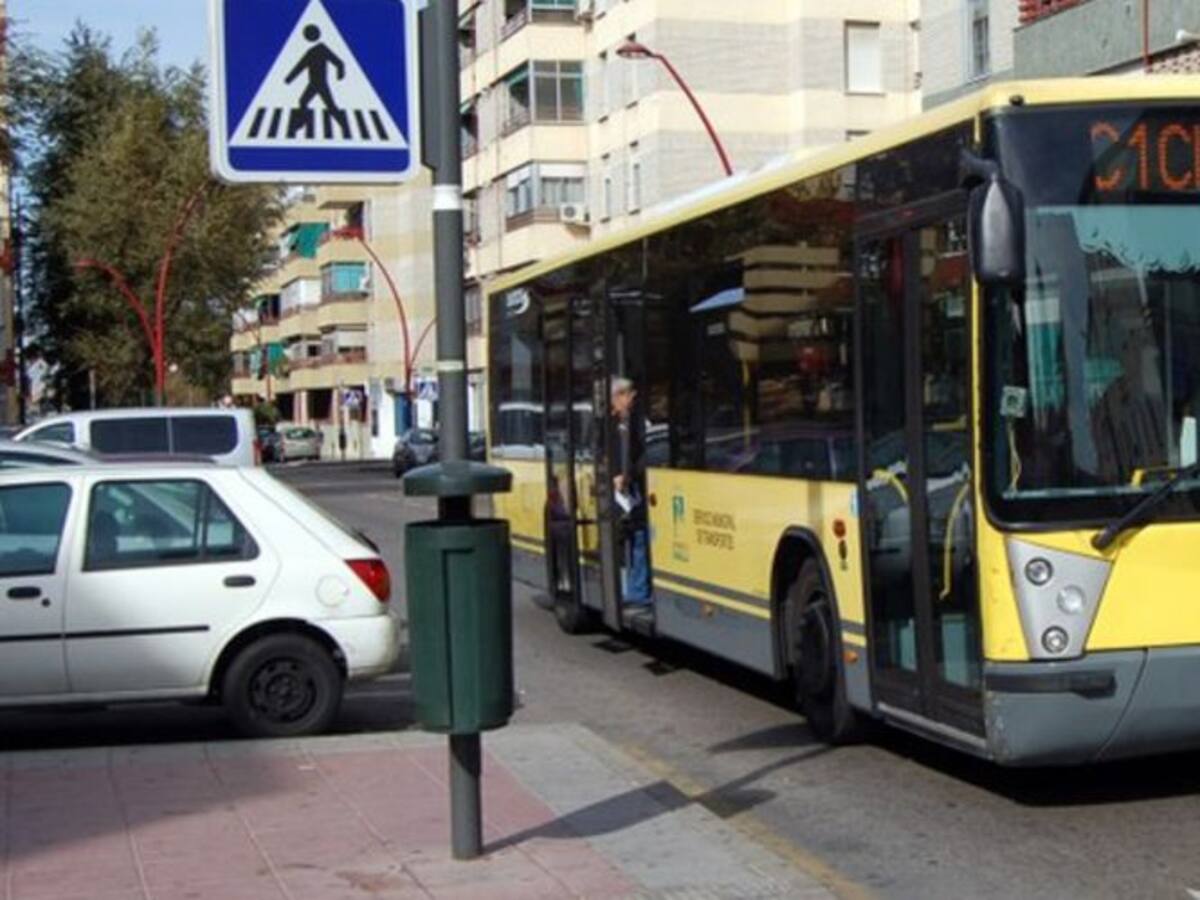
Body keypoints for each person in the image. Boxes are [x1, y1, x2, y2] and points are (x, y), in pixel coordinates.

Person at [612, 377, 651, 606]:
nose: (632, 397)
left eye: (630, 394)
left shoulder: (639, 422)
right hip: (621, 492)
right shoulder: (614, 422)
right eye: (627, 394)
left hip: (636, 489)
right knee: (626, 536)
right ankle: (631, 587)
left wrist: (629, 476)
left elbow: (647, 454)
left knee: (639, 537)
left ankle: (637, 591)